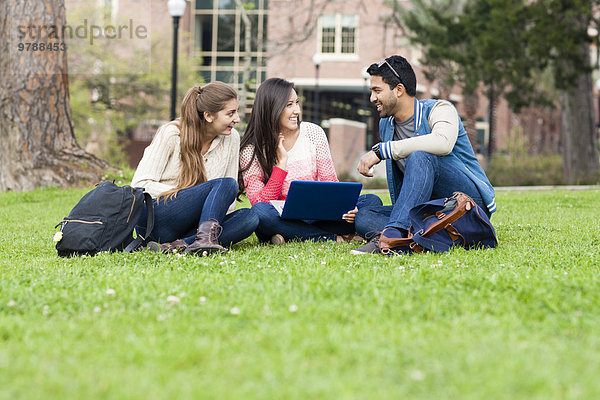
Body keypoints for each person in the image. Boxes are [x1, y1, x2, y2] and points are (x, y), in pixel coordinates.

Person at [352, 55, 496, 254]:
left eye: (377, 91)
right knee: (364, 216)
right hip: (424, 210)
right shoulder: (386, 124)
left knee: (420, 156)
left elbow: (442, 142)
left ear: (399, 90)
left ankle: (394, 235)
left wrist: (383, 150)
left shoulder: (440, 109)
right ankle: (426, 237)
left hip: (465, 204)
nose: (372, 98)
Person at [239, 77, 382, 244]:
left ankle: (291, 236)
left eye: (297, 103)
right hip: (281, 218)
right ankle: (329, 238)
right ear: (271, 108)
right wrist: (281, 164)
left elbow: (331, 182)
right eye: (289, 105)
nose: (297, 110)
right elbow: (260, 202)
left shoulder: (313, 133)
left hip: (319, 216)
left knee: (371, 202)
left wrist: (347, 207)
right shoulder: (250, 150)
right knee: (260, 212)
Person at [131, 82, 258, 255]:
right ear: (208, 116)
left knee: (249, 218)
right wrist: (191, 196)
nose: (237, 119)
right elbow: (139, 185)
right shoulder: (172, 133)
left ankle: (182, 245)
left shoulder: (232, 138)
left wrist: (209, 209)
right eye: (230, 113)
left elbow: (228, 204)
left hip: (195, 225)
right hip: (157, 221)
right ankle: (202, 240)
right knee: (226, 184)